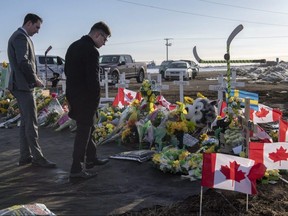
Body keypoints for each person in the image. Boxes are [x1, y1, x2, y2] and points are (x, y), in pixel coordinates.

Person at [7, 13, 56, 168]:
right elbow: (23, 61)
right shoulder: (20, 37)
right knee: (31, 122)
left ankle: (25, 156)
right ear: (29, 23)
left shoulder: (19, 36)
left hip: (20, 85)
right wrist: (35, 79)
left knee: (26, 122)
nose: (38, 31)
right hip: (22, 86)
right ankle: (37, 157)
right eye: (37, 27)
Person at [65, 21, 111, 179]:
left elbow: (67, 72)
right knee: (83, 132)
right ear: (98, 34)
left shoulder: (73, 46)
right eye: (104, 40)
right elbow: (93, 79)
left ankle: (91, 159)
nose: (104, 44)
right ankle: (76, 169)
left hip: (73, 95)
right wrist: (95, 99)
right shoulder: (91, 51)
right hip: (86, 98)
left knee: (88, 129)